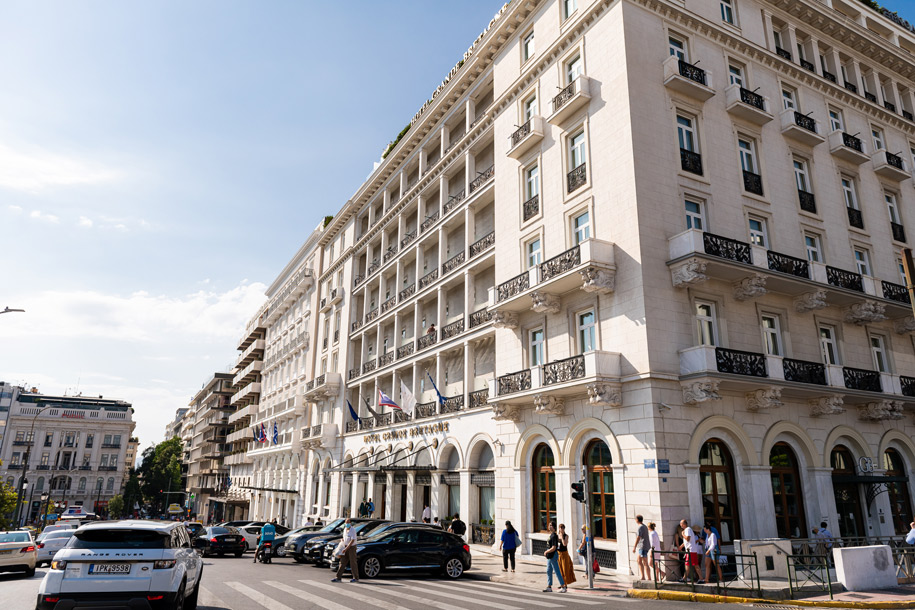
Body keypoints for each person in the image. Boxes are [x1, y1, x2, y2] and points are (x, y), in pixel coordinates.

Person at [331, 518, 359, 583]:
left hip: (351, 547)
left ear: (350, 523)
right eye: (346, 523)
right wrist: (342, 541)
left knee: (353, 562)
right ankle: (338, 577)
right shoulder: (345, 530)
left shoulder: (353, 530)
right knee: (342, 562)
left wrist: (346, 549)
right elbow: (344, 538)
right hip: (345, 546)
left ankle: (356, 577)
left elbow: (352, 540)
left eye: (348, 523)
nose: (347, 524)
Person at [543, 521, 566, 593]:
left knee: (556, 571)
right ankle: (549, 586)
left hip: (553, 555)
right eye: (549, 525)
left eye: (551, 525)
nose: (549, 526)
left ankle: (563, 586)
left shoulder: (554, 536)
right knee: (548, 570)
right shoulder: (551, 535)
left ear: (554, 527)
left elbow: (554, 547)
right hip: (550, 555)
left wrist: (547, 551)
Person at [678, 519, 700, 583]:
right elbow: (686, 542)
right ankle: (685, 578)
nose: (680, 525)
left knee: (693, 565)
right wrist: (680, 547)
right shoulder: (687, 530)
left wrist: (683, 535)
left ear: (684, 524)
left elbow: (688, 539)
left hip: (690, 550)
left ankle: (685, 578)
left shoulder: (688, 529)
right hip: (690, 550)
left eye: (681, 524)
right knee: (689, 564)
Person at [632, 515, 651, 580]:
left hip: (642, 546)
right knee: (639, 561)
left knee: (645, 563)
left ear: (637, 520)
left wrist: (634, 546)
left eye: (635, 519)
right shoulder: (644, 526)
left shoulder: (640, 527)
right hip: (643, 546)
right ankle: (643, 576)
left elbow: (638, 537)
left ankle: (648, 578)